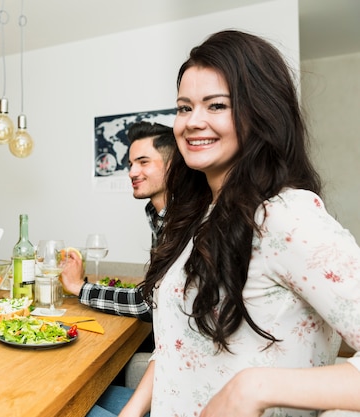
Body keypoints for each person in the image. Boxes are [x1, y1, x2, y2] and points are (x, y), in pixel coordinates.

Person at [94, 30, 360, 417]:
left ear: (261, 110)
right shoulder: (197, 216)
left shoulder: (286, 216)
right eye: (184, 108)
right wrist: (131, 413)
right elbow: (178, 344)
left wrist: (252, 388)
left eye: (216, 105)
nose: (192, 122)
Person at [61, 121, 176, 322]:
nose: (131, 173)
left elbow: (148, 303)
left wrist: (79, 287)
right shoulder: (159, 216)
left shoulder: (182, 221)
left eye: (143, 162)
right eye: (131, 164)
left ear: (172, 165)